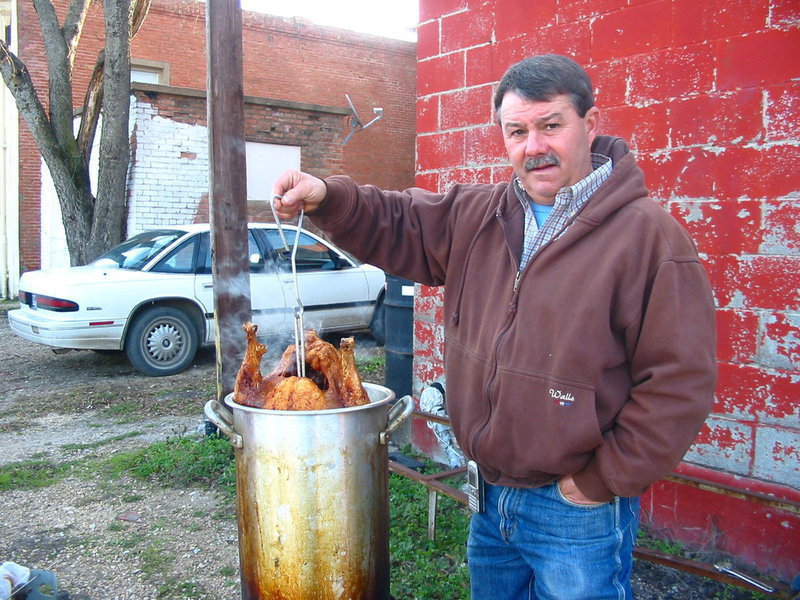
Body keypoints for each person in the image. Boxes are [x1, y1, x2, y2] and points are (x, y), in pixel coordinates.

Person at [272, 54, 717, 600]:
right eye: (517, 131)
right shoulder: (479, 213)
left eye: (551, 125)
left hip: (574, 509)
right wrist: (328, 196)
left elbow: (680, 381)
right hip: (488, 495)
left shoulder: (650, 238)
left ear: (590, 124)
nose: (534, 146)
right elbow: (401, 220)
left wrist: (600, 481)